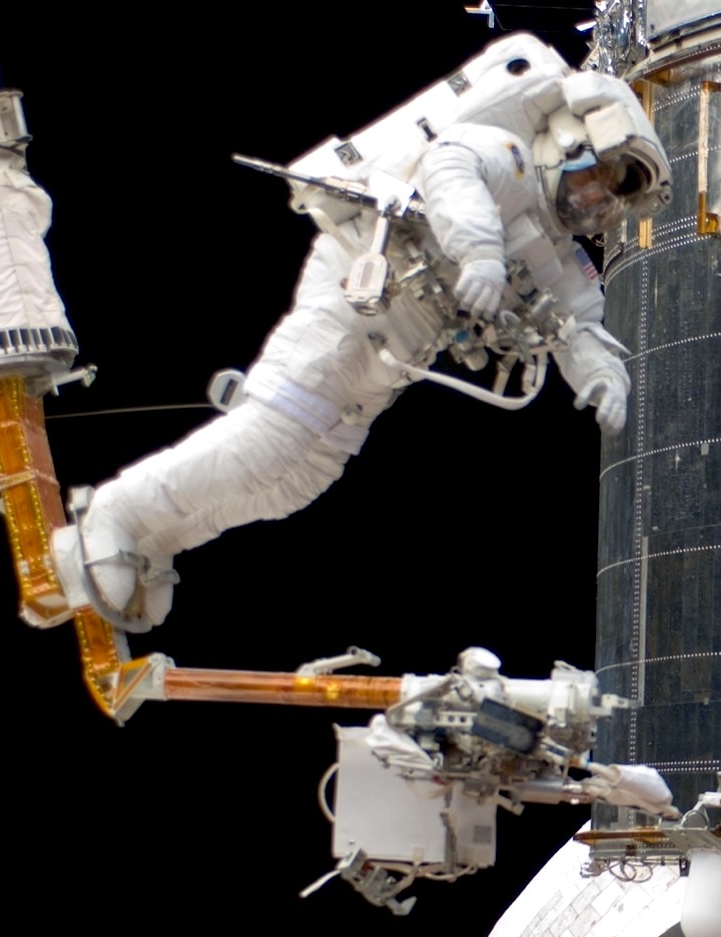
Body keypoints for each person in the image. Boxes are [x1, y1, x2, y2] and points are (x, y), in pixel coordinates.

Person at [51, 36, 668, 631]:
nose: (595, 202)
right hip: (354, 307)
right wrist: (479, 253)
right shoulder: (505, 154)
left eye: (610, 201)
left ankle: (158, 543)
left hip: (393, 355)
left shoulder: (552, 249)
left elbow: (580, 318)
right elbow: (452, 165)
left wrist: (602, 374)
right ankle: (118, 512)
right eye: (599, 178)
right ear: (571, 142)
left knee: (297, 480)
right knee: (265, 442)